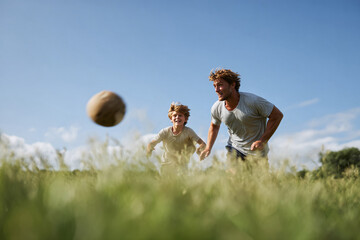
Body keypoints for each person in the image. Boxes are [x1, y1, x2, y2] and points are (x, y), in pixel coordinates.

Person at [200, 69, 283, 162]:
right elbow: (214, 126)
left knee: (260, 177)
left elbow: (277, 115)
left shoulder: (253, 101)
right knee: (233, 175)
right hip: (235, 149)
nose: (216, 90)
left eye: (220, 85)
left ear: (232, 84)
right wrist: (208, 148)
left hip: (258, 153)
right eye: (214, 86)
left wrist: (263, 140)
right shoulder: (216, 107)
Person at [147, 102, 206, 172]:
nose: (177, 117)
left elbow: (203, 144)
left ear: (185, 119)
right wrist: (149, 148)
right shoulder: (165, 131)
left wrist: (200, 149)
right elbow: (152, 143)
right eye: (175, 115)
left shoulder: (189, 132)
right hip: (166, 165)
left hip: (182, 166)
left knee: (180, 182)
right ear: (171, 119)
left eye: (180, 115)